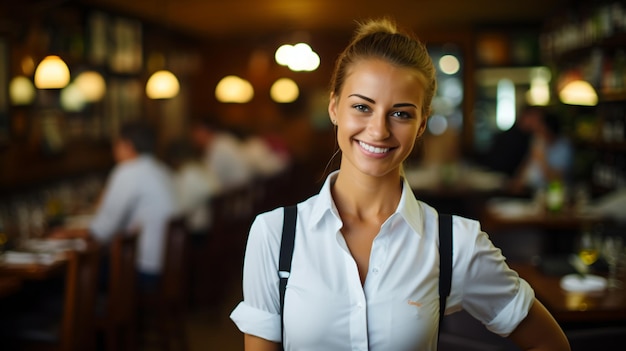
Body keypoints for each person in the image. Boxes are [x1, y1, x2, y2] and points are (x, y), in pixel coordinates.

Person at [229, 18, 570, 351]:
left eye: (401, 114)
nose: (378, 130)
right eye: (362, 107)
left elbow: (548, 341)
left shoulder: (456, 244)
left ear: (422, 124)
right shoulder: (275, 234)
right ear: (334, 107)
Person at [51, 119, 178, 292]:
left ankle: (88, 318)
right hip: (168, 265)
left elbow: (101, 231)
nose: (114, 150)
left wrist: (64, 233)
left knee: (63, 279)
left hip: (144, 269)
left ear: (127, 145)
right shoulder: (162, 169)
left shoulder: (128, 171)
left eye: (116, 144)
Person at [510, 107, 574, 194]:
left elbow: (556, 181)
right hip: (530, 191)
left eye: (541, 127)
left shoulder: (563, 147)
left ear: (549, 130)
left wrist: (542, 159)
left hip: (553, 194)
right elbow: (525, 168)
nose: (537, 130)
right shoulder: (537, 141)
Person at [190, 117, 254, 192]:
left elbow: (210, 182)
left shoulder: (217, 148)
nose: (194, 137)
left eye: (195, 132)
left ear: (204, 131)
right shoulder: (223, 139)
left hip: (237, 195)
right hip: (244, 190)